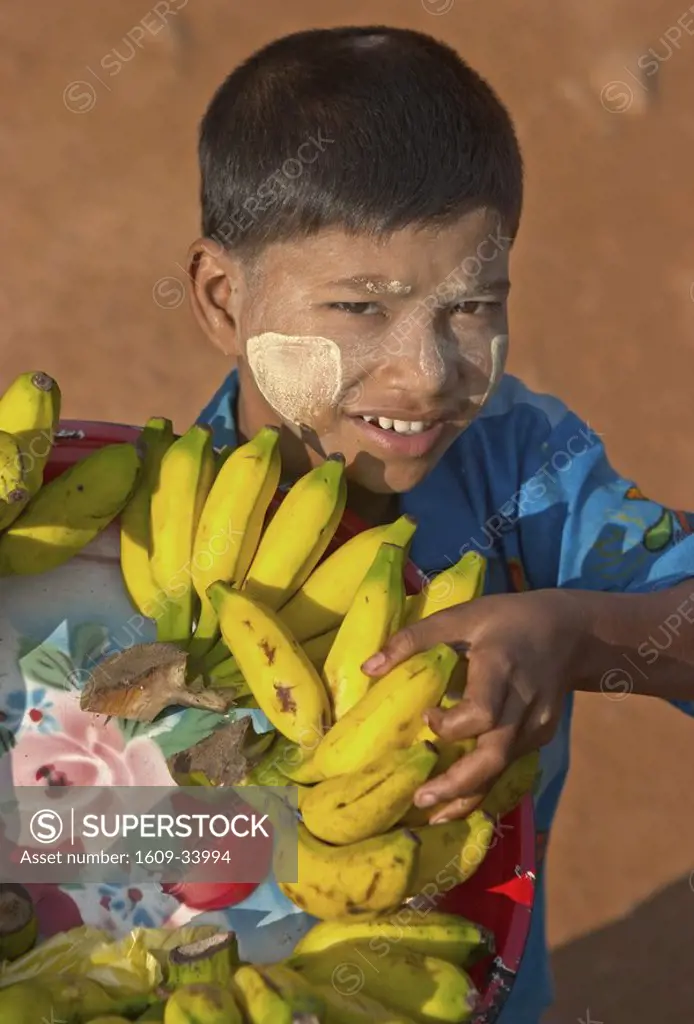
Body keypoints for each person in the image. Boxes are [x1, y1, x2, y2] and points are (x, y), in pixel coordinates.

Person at [187, 25, 694, 1022]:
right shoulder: (113, 535)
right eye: (358, 308)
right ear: (220, 297)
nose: (426, 372)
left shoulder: (527, 474)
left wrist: (580, 632)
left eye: (471, 305)